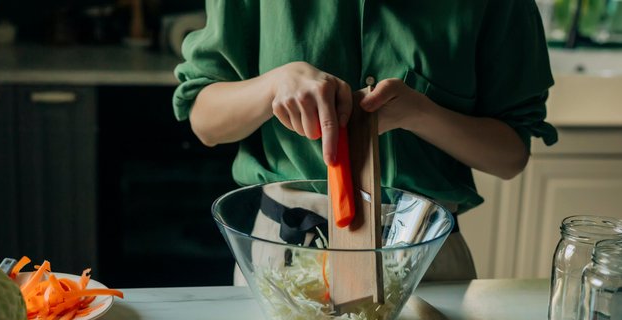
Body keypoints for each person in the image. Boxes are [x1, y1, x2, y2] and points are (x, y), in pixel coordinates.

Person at [173, 0, 558, 284]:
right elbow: (205, 121)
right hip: (283, 256)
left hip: (426, 264)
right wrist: (272, 86)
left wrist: (421, 114)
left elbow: (510, 156)